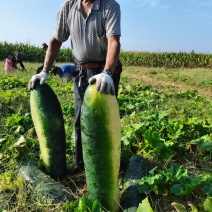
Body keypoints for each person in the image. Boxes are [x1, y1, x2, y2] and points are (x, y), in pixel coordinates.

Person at [28, 0, 122, 175]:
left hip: (104, 72)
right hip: (82, 71)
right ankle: (81, 165)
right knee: (80, 120)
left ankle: (109, 169)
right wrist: (45, 71)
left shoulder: (110, 6)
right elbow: (56, 40)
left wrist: (107, 72)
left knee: (105, 122)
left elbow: (114, 42)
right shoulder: (68, 7)